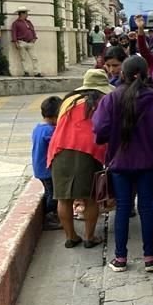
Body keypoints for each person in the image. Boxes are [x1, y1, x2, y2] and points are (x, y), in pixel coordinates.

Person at [92, 56, 153, 273]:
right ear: (146, 74)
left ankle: (120, 258)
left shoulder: (111, 98)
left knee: (123, 209)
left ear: (122, 74)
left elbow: (99, 129)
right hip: (147, 162)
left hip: (119, 163)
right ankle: (149, 257)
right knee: (146, 208)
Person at [48, 69, 111, 248]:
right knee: (90, 197)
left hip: (60, 147)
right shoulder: (103, 100)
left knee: (63, 197)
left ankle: (70, 237)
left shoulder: (68, 99)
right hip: (90, 149)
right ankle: (90, 238)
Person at [32, 96, 63, 231]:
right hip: (47, 169)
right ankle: (50, 218)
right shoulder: (50, 131)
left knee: (49, 191)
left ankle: (51, 214)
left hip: (39, 168)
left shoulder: (38, 128)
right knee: (54, 194)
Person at [11, 6, 41, 77]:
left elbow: (32, 30)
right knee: (23, 58)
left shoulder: (29, 22)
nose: (27, 15)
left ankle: (36, 72)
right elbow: (14, 33)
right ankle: (26, 71)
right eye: (26, 13)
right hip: (21, 42)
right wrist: (15, 42)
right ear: (22, 14)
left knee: (34, 58)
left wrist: (34, 38)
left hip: (30, 42)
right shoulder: (15, 23)